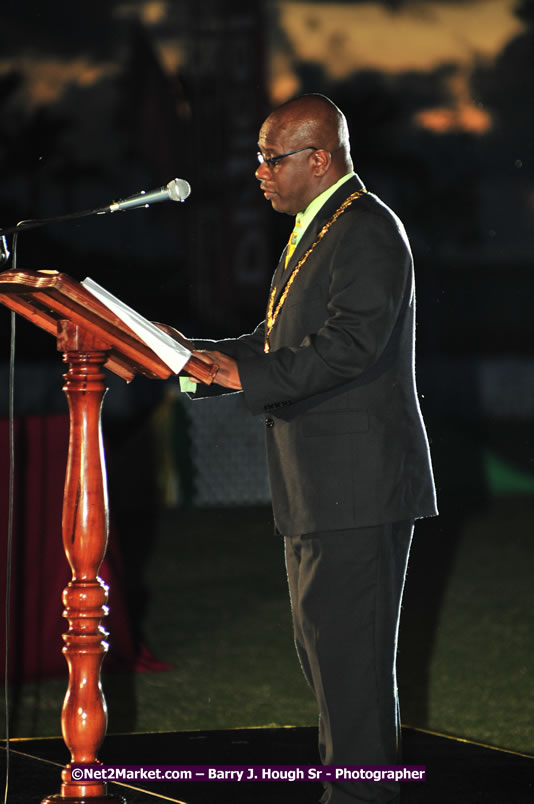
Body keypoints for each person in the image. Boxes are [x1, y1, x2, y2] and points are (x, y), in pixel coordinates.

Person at [174, 94, 437, 804]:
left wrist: (245, 372)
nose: (258, 170)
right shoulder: (318, 232)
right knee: (329, 665)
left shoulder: (367, 230)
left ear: (319, 159)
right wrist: (180, 356)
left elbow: (351, 347)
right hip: (320, 487)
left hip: (356, 486)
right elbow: (273, 346)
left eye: (271, 157)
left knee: (349, 672)